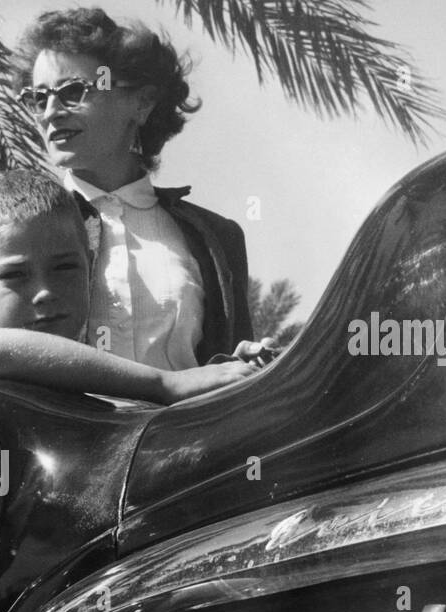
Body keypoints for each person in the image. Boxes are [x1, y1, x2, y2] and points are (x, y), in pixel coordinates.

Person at [15, 7, 273, 371]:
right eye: (39, 98)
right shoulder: (18, 228)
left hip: (189, 427)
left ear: (142, 102)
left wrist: (246, 361)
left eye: (73, 91)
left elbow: (225, 366)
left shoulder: (217, 237)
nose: (50, 112)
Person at [0, 169, 256, 401]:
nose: (45, 291)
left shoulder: (97, 388)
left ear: (90, 266)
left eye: (65, 268)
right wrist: (167, 383)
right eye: (14, 275)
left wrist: (227, 374)